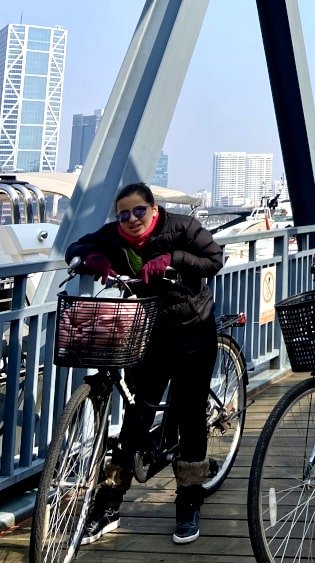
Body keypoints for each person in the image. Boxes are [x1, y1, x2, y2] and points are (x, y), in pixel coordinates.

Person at [66, 182, 224, 544]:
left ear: (153, 210)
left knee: (189, 412)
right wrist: (94, 259)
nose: (132, 220)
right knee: (139, 414)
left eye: (139, 211)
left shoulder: (182, 228)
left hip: (191, 329)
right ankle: (108, 503)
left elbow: (214, 259)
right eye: (124, 215)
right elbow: (75, 247)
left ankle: (188, 501)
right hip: (147, 330)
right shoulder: (114, 236)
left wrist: (174, 259)